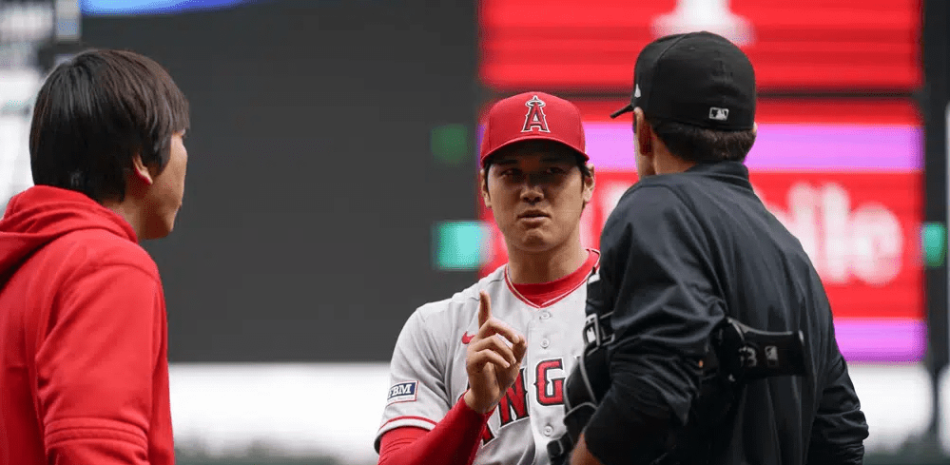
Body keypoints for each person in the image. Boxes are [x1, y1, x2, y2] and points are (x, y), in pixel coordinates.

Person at [565, 32, 869, 465]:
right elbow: (840, 435)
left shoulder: (656, 206)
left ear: (644, 129)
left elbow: (652, 393)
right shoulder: (793, 256)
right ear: (751, 135)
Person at [375, 91, 598, 465]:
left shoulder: (635, 307)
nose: (531, 191)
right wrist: (473, 407)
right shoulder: (437, 327)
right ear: (484, 188)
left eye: (552, 172)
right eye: (512, 173)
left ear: (587, 182)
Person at [0, 49, 190, 465]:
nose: (186, 156)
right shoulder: (108, 265)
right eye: (181, 138)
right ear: (142, 160)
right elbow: (95, 451)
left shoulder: (20, 270)